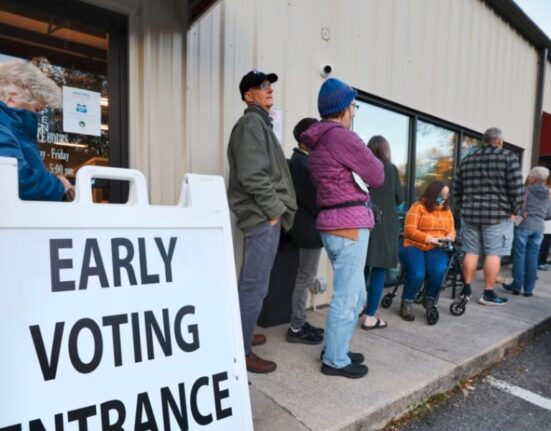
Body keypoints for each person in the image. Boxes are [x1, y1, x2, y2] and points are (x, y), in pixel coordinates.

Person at [302, 78, 384, 379]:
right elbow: (376, 175)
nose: (354, 111)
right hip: (348, 224)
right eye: (353, 105)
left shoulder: (321, 140)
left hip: (333, 224)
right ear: (344, 108)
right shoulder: (343, 138)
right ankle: (334, 359)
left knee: (357, 296)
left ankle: (336, 347)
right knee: (347, 298)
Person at [227, 70, 297, 374]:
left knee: (252, 283)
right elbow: (252, 174)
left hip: (263, 216)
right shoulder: (250, 125)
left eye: (269, 86)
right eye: (261, 86)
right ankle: (240, 352)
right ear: (248, 95)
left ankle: (240, 334)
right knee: (254, 286)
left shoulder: (259, 124)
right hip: (261, 217)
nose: (269, 90)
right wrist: (273, 211)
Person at [454, 127, 523, 306]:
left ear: (484, 141)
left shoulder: (468, 159)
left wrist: (462, 208)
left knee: (471, 251)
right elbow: (517, 189)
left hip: (470, 215)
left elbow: (457, 188)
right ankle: (488, 293)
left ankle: (466, 289)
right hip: (498, 216)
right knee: (494, 253)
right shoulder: (509, 158)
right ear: (499, 141)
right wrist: (515, 211)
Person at [0, 60, 73, 201]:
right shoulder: (6, 126)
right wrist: (59, 186)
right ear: (12, 97)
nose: (37, 116)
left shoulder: (10, 127)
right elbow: (16, 179)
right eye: (37, 110)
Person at [286, 117, 324, 345]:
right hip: (308, 230)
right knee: (304, 278)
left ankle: (299, 321)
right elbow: (314, 200)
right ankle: (296, 327)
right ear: (305, 138)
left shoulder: (304, 161)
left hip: (308, 228)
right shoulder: (301, 164)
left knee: (304, 276)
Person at [360, 135, 402, 330]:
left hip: (363, 222)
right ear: (386, 150)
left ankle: (359, 306)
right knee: (378, 272)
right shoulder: (391, 170)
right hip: (385, 226)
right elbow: (399, 199)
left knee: (361, 270)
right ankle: (370, 317)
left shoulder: (362, 168)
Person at [398, 180, 455, 321]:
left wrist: (449, 237)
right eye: (442, 194)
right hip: (413, 245)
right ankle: (407, 302)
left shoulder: (447, 211)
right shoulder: (417, 207)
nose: (444, 198)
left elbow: (452, 230)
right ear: (433, 193)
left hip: (436, 248)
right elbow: (409, 230)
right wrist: (430, 239)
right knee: (418, 273)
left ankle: (429, 299)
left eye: (446, 195)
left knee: (438, 270)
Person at [504, 167, 551, 297]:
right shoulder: (548, 192)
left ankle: (517, 286)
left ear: (533, 178)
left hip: (524, 225)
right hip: (539, 228)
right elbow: (549, 213)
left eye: (530, 176)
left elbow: (517, 207)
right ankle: (529, 289)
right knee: (532, 258)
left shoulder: (526, 190)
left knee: (519, 256)